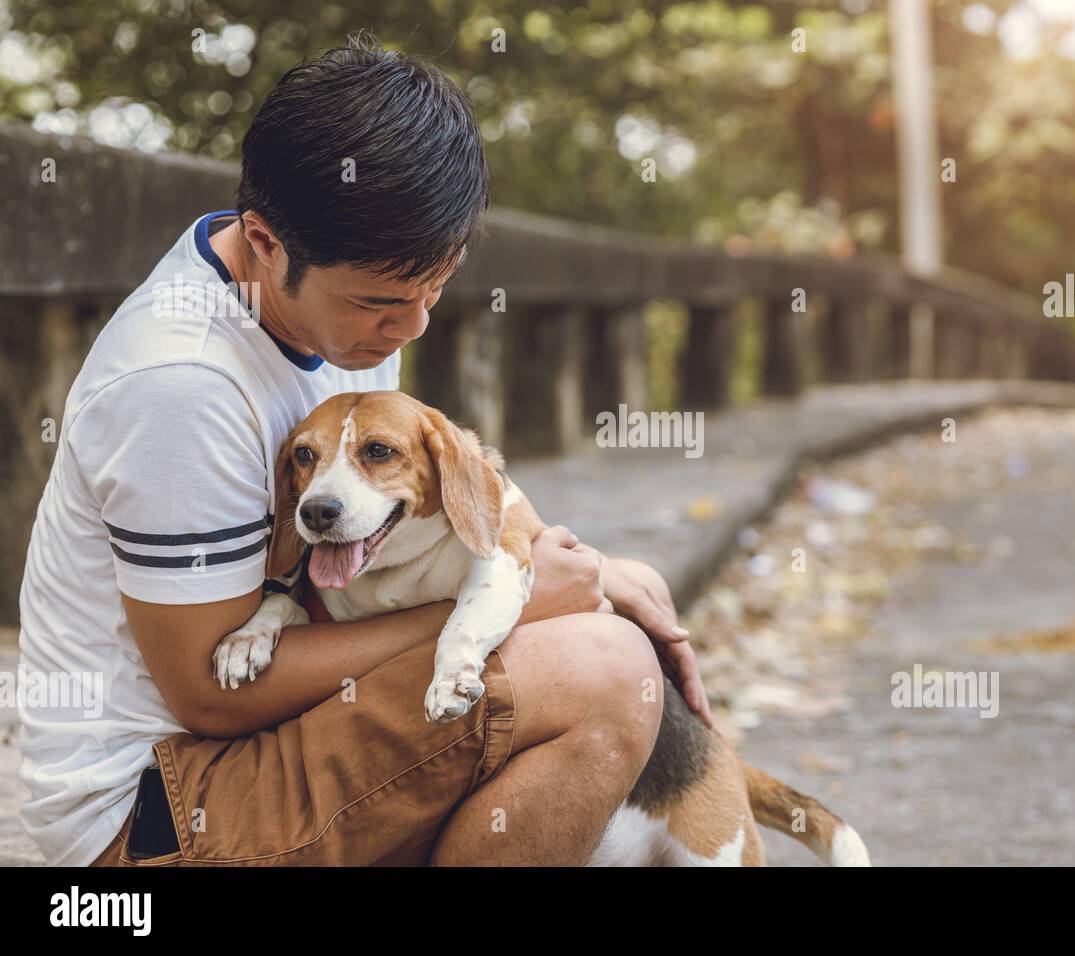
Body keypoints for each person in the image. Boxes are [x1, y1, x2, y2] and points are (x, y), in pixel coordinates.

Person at [18, 34, 712, 867]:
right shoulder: (182, 384)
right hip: (153, 812)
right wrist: (517, 608)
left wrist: (575, 571)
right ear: (266, 244)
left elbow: (432, 486)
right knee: (600, 674)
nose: (412, 327)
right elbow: (208, 691)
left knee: (610, 609)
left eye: (436, 287)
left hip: (267, 732)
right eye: (383, 303)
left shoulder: (339, 309)